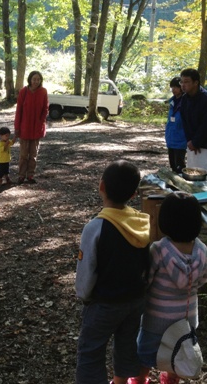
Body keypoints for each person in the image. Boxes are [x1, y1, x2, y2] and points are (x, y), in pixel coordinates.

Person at [75, 160, 151, 384]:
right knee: (127, 344)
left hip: (104, 302)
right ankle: (120, 381)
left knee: (91, 350)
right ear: (134, 194)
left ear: (101, 186)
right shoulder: (141, 222)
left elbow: (86, 267)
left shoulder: (95, 228)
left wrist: (84, 295)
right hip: (136, 299)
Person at [130, 192, 207, 384]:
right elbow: (204, 277)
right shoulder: (202, 249)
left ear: (164, 220)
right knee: (178, 351)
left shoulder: (158, 249)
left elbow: (147, 280)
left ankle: (139, 380)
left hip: (156, 319)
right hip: (187, 317)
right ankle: (170, 379)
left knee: (144, 355)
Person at [14, 70, 48, 184]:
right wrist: (17, 127)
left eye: (38, 79)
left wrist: (41, 121)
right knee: (23, 154)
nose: (36, 82)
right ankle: (21, 175)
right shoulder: (23, 92)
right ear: (30, 79)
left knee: (33, 154)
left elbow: (45, 109)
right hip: (24, 127)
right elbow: (19, 111)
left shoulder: (43, 92)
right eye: (34, 79)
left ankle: (30, 175)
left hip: (37, 128)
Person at [165, 77, 186, 173]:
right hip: (171, 137)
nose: (173, 90)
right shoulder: (172, 101)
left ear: (181, 87)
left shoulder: (186, 101)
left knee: (180, 165)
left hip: (181, 139)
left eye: (175, 87)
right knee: (172, 165)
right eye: (172, 88)